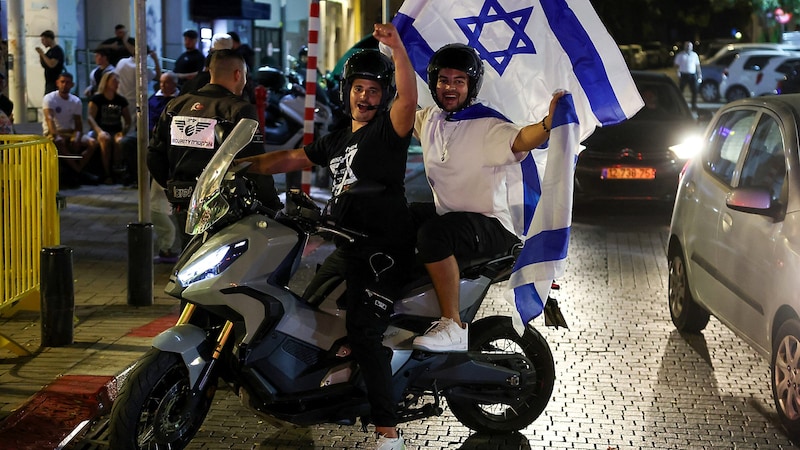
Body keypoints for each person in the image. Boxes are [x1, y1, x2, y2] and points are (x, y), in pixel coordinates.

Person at [237, 23, 415, 450]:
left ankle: (388, 432)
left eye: (374, 90)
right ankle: (325, 390)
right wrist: (238, 168)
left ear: (383, 95)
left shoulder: (388, 131)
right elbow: (291, 157)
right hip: (348, 247)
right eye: (359, 88)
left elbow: (409, 98)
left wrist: (399, 49)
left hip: (382, 250)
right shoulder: (339, 139)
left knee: (362, 329)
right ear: (347, 91)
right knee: (309, 312)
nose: (365, 96)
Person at [410, 43, 563, 353]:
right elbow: (399, 114)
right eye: (443, 80)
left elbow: (521, 139)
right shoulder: (430, 120)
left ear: (471, 86)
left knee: (433, 235)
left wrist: (548, 123)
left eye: (459, 81)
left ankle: (452, 324)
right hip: (453, 220)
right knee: (402, 215)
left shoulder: (488, 126)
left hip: (492, 226)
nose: (450, 88)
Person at [147, 49, 282, 249]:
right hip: (224, 207)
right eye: (244, 76)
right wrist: (273, 206)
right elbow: (254, 163)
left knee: (190, 257)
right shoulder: (240, 110)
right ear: (238, 74)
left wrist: (173, 186)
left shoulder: (177, 105)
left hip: (183, 202)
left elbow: (153, 155)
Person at [148, 71, 181, 264]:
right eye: (160, 82)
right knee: (158, 206)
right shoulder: (155, 101)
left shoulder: (180, 100)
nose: (162, 86)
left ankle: (168, 246)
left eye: (166, 82)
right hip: (163, 155)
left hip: (171, 155)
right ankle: (166, 247)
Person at [43, 72, 99, 184]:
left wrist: (77, 136)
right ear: (57, 83)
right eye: (62, 82)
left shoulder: (76, 101)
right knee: (60, 142)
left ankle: (76, 169)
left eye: (68, 82)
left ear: (72, 85)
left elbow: (78, 123)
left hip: (70, 131)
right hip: (53, 131)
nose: (65, 85)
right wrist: (56, 135)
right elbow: (49, 119)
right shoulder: (49, 98)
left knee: (93, 143)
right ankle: (78, 171)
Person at [88, 71, 131, 184]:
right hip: (100, 130)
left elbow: (128, 121)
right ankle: (106, 173)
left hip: (116, 130)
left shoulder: (121, 100)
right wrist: (99, 131)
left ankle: (116, 170)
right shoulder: (97, 99)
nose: (117, 83)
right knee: (105, 139)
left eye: (118, 81)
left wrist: (123, 132)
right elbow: (90, 118)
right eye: (114, 80)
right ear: (106, 82)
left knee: (119, 141)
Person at [674, 41, 702, 110]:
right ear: (684, 46)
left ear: (692, 47)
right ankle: (679, 105)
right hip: (683, 75)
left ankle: (694, 105)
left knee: (695, 91)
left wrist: (699, 74)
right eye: (687, 46)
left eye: (690, 46)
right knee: (680, 91)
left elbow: (697, 65)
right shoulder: (680, 55)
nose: (688, 47)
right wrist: (677, 72)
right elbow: (676, 65)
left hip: (692, 75)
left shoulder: (694, 55)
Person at [36, 30, 65, 94]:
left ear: (49, 39)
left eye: (43, 40)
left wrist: (42, 54)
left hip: (55, 82)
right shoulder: (49, 51)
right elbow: (45, 64)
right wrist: (41, 55)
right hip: (49, 81)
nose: (42, 42)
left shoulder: (57, 50)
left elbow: (51, 64)